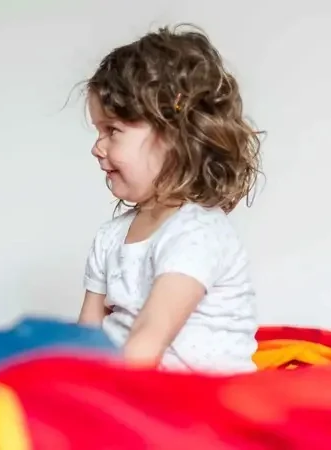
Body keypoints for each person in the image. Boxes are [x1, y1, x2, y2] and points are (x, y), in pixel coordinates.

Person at [77, 24, 262, 374]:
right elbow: (86, 336)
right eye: (98, 131)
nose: (97, 147)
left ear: (172, 136)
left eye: (112, 130)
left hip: (199, 395)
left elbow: (150, 336)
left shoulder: (197, 231)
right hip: (138, 383)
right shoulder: (110, 237)